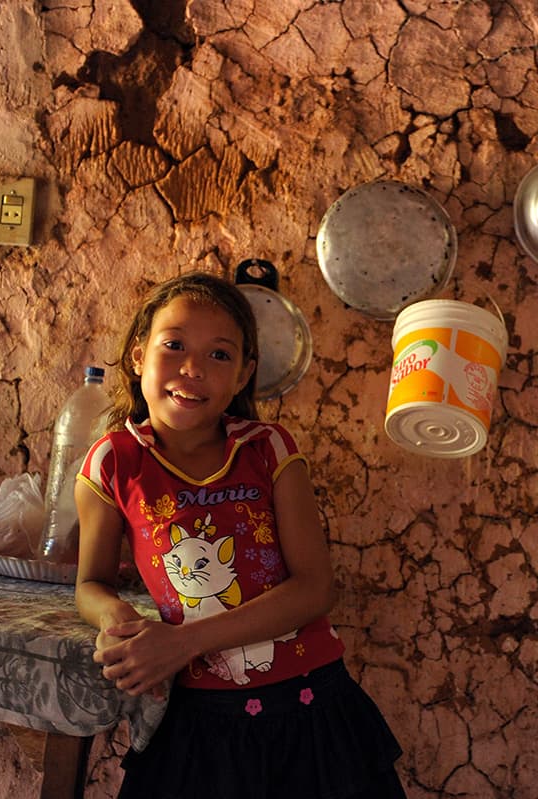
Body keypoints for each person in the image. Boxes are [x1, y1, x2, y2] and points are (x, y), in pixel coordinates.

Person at [74, 271, 406, 799]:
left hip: (313, 710)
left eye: (220, 355)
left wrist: (180, 643)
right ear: (139, 356)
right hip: (201, 723)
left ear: (244, 373)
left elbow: (315, 588)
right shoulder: (115, 461)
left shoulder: (267, 449)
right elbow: (90, 583)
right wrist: (124, 625)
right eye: (174, 345)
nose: (192, 368)